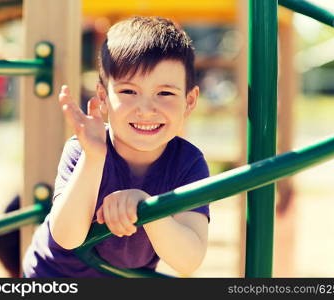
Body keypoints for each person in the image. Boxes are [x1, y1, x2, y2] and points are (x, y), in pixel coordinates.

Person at [22, 16, 210, 278]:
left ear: (189, 101)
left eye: (165, 93)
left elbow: (189, 260)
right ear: (103, 98)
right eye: (129, 92)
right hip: (53, 276)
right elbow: (67, 237)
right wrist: (94, 158)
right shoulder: (85, 148)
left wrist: (147, 207)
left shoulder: (188, 163)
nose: (146, 110)